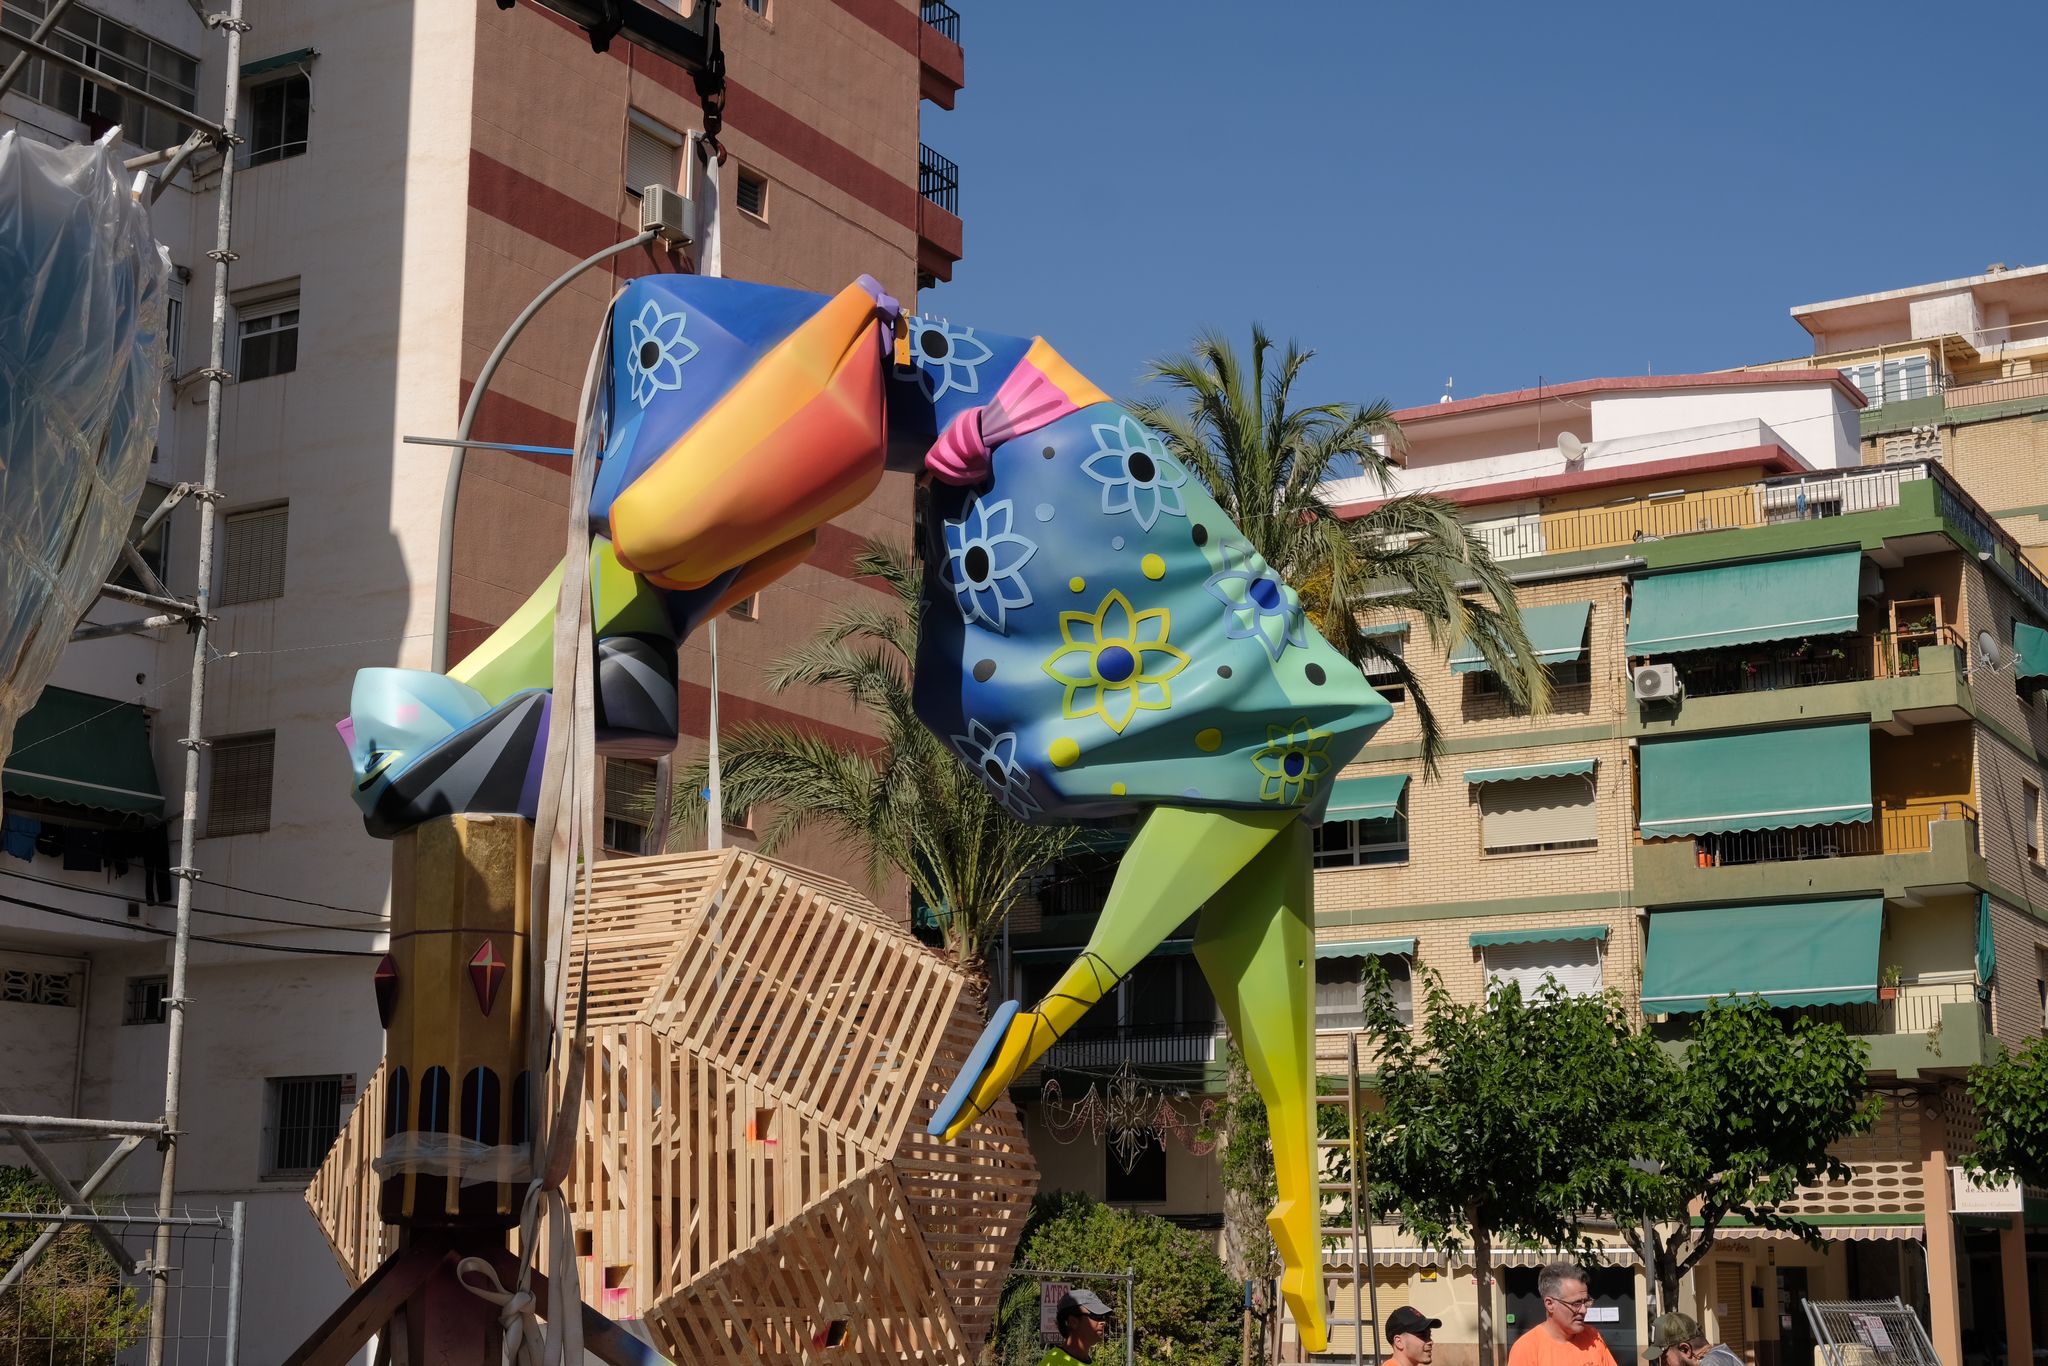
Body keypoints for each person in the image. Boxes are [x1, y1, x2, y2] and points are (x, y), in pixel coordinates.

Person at [1506, 1263, 1618, 1366]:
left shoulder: (1593, 1336)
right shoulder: (1526, 1349)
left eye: (1585, 1302)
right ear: (1550, 1304)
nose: (1584, 1310)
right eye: (1576, 1303)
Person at [1040, 1288, 1114, 1366]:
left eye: (1104, 1316)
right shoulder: (1054, 1362)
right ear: (1073, 1322)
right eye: (1096, 1315)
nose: (1103, 1322)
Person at [1645, 1312, 1741, 1366]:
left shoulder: (1711, 1363)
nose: (1663, 1364)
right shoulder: (1721, 1356)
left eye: (1664, 1357)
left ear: (1685, 1349)